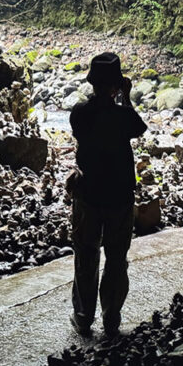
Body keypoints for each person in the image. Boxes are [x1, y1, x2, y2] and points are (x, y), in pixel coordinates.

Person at [67, 52, 148, 337]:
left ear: (92, 83)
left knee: (86, 255)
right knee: (116, 257)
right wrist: (125, 97)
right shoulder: (123, 116)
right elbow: (139, 128)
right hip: (119, 194)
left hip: (88, 192)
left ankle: (83, 316)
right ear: (116, 85)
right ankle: (111, 317)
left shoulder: (80, 112)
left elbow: (81, 132)